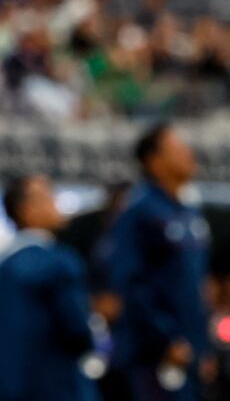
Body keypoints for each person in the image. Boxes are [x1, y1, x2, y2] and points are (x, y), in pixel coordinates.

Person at [107, 124, 212, 401]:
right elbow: (131, 283)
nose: (189, 154)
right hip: (153, 355)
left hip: (189, 351)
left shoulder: (189, 212)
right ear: (154, 161)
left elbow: (195, 286)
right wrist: (165, 339)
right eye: (178, 149)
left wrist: (203, 347)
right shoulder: (139, 211)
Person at [0, 175, 98, 401]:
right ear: (27, 210)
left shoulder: (5, 265)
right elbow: (77, 330)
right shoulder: (59, 262)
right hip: (57, 384)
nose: (55, 203)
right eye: (47, 197)